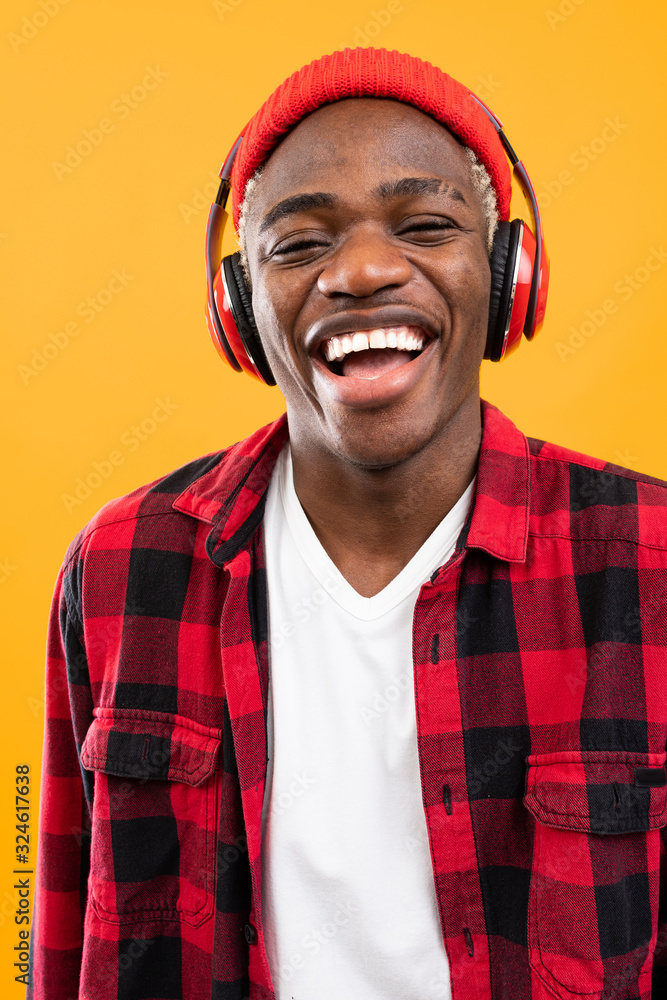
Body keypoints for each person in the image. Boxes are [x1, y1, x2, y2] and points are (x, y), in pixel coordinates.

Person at [29, 47, 667, 1000]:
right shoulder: (123, 569)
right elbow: (64, 936)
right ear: (239, 308)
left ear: (506, 279)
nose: (362, 270)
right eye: (299, 244)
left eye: (424, 224)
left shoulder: (648, 567)